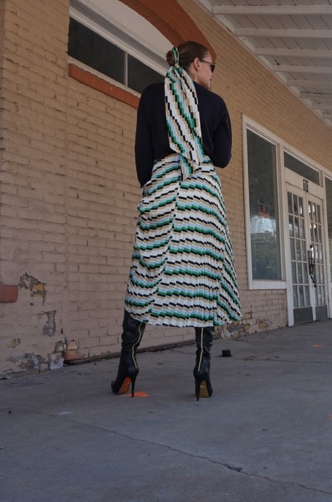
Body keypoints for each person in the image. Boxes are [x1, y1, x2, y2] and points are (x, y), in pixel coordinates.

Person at [111, 41, 241, 400]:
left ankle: (129, 365)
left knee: (144, 273)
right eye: (212, 66)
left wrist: (153, 187)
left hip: (163, 186)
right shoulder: (215, 104)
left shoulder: (152, 95)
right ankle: (202, 371)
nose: (214, 73)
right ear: (196, 65)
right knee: (202, 276)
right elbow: (225, 157)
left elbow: (142, 153)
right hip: (202, 194)